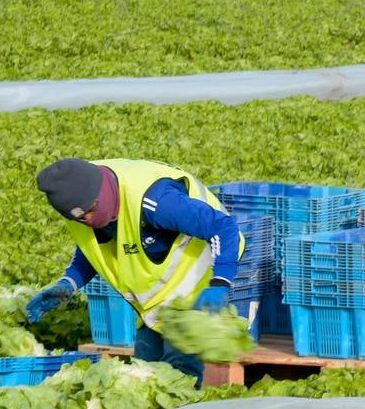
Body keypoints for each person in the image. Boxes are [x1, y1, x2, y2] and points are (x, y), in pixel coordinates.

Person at [24, 157, 243, 385]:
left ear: (103, 195)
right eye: (79, 218)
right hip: (156, 300)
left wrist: (220, 282)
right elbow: (94, 247)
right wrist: (69, 283)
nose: (88, 220)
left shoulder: (155, 201)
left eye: (90, 211)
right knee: (145, 374)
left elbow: (223, 226)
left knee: (178, 379)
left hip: (197, 281)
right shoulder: (78, 205)